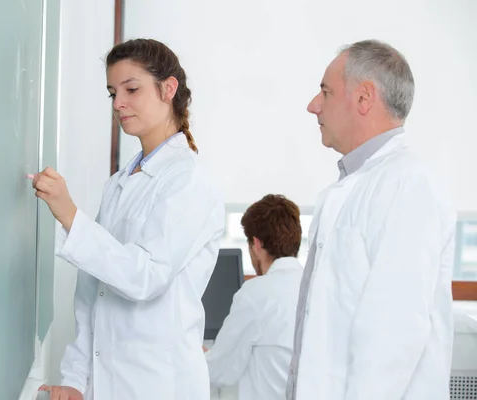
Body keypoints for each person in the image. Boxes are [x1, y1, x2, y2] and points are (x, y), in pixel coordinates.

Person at [34, 39, 225, 400]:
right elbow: (92, 294)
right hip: (107, 385)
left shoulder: (189, 180)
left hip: (159, 385)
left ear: (168, 89)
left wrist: (72, 217)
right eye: (112, 93)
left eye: (131, 89)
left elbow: (145, 277)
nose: (118, 104)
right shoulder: (119, 184)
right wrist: (75, 380)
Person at [286, 39, 457, 400]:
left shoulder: (408, 186)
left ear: (364, 98)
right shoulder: (358, 185)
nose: (312, 106)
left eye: (326, 92)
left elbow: (393, 335)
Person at [205, 194, 303, 400]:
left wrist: (199, 353)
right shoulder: (314, 287)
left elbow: (219, 372)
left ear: (256, 244)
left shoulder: (257, 293)